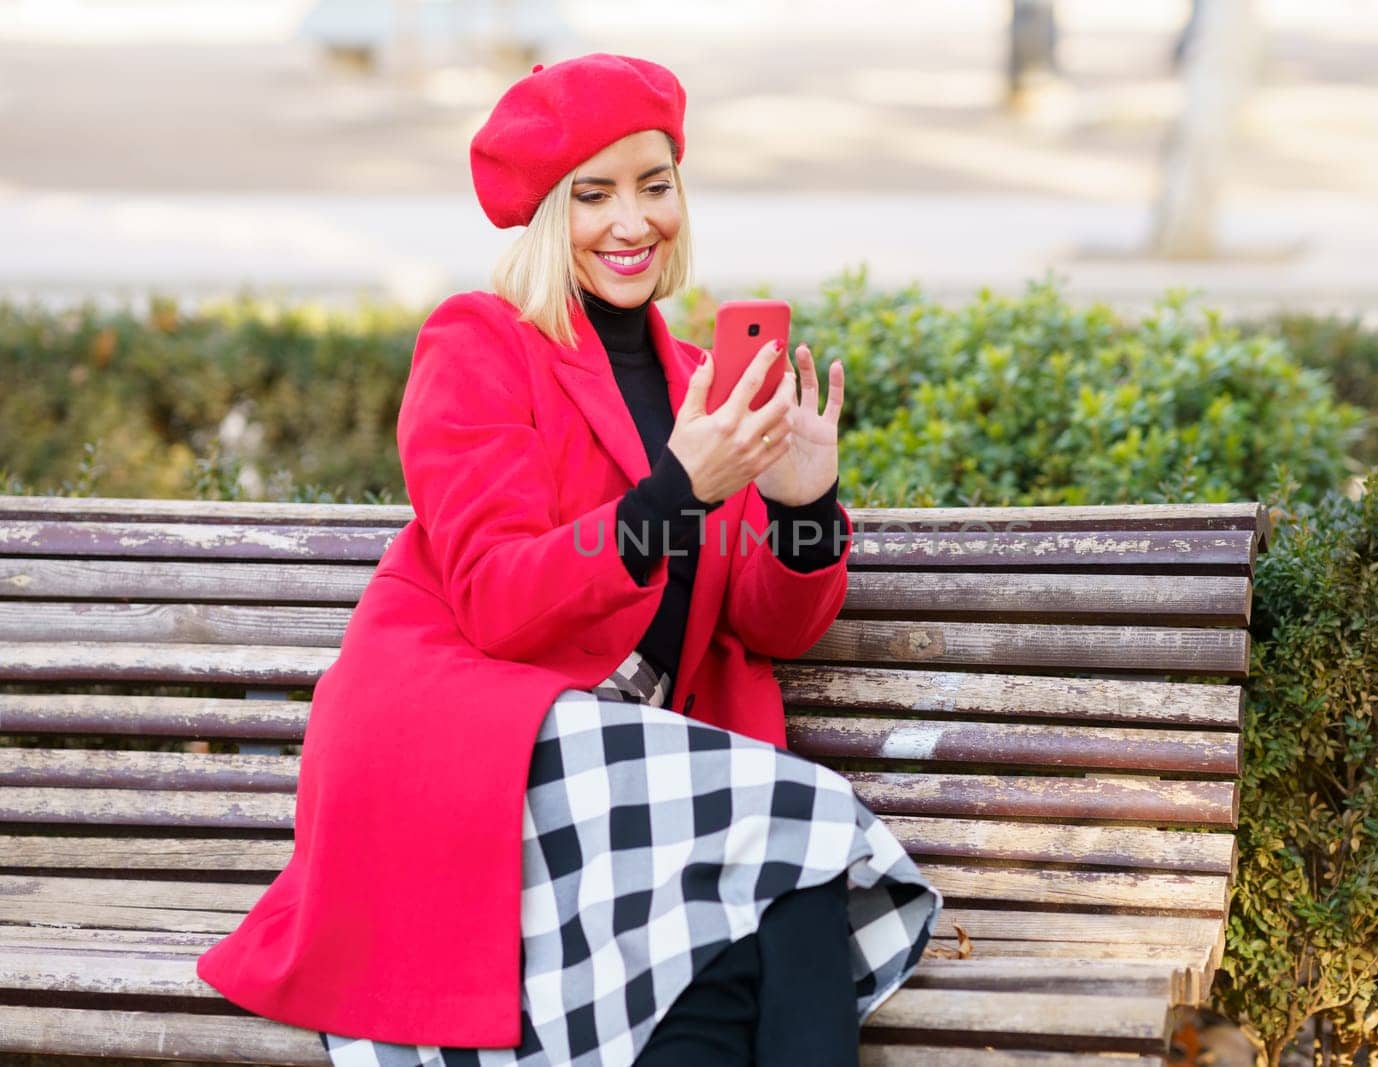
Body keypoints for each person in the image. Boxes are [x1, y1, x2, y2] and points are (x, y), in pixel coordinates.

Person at [195, 53, 938, 1067]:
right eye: (594, 195)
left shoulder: (696, 379)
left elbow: (765, 625)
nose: (632, 223)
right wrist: (678, 487)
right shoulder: (479, 343)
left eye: (655, 185)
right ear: (550, 213)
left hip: (623, 761)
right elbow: (500, 599)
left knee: (728, 948)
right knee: (803, 829)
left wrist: (803, 497)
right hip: (467, 738)